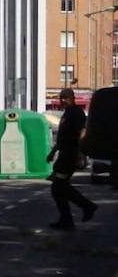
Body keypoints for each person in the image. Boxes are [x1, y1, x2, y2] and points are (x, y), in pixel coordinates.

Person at [46, 87, 98, 231]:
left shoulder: (76, 112)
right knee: (59, 187)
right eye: (61, 97)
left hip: (70, 155)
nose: (63, 100)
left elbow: (82, 132)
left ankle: (86, 207)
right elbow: (62, 137)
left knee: (58, 186)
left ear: (72, 98)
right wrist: (52, 152)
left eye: (66, 97)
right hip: (64, 154)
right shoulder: (66, 114)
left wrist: (79, 153)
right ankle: (68, 219)